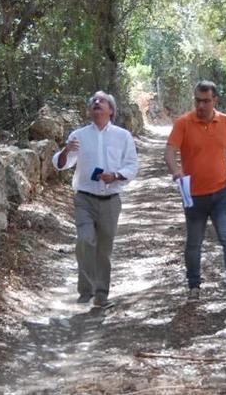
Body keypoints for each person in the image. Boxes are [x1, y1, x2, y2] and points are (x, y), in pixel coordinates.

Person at [164, 80, 226, 305]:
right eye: (198, 101)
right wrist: (176, 171)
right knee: (194, 242)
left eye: (206, 101)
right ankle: (194, 287)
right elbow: (170, 151)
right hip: (193, 195)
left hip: (222, 193)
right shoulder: (183, 123)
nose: (201, 105)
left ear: (215, 101)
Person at [53, 91, 138, 308]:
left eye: (102, 101)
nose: (96, 103)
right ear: (90, 111)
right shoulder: (78, 136)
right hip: (84, 198)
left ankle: (101, 293)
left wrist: (116, 175)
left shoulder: (123, 136)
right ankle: (86, 289)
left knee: (104, 248)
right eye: (93, 102)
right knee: (85, 240)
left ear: (111, 110)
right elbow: (62, 163)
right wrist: (65, 150)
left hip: (111, 199)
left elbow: (131, 166)